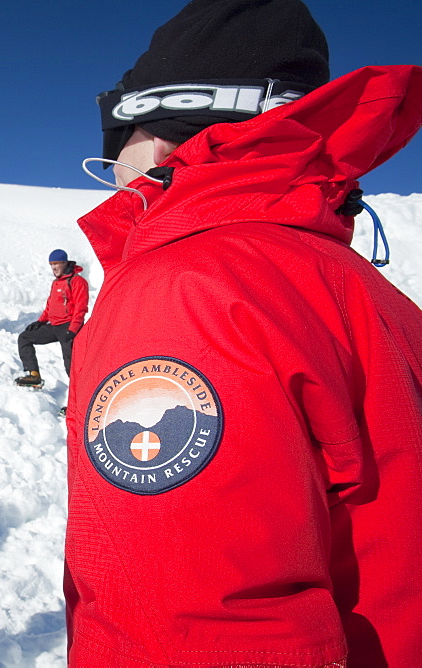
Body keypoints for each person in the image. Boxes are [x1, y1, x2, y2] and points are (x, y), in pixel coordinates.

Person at [64, 1, 422, 666]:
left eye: (119, 137)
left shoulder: (184, 290)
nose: (110, 166)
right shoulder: (365, 291)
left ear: (164, 131)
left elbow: (194, 631)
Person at [14, 249, 89, 390]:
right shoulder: (56, 283)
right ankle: (34, 376)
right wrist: (40, 321)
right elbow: (50, 306)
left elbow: (81, 309)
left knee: (71, 366)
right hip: (54, 326)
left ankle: (79, 402)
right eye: (51, 265)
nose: (53, 268)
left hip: (69, 328)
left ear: (64, 263)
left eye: (56, 264)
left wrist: (73, 330)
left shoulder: (77, 281)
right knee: (25, 338)